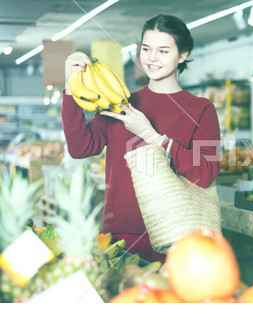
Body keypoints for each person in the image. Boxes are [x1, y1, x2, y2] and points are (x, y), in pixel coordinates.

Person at [62, 14, 221, 262]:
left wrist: (149, 134)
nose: (151, 58)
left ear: (182, 55)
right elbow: (80, 147)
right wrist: (70, 90)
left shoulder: (200, 108)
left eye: (163, 50)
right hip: (118, 233)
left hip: (175, 236)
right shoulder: (119, 101)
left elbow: (206, 173)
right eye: (146, 49)